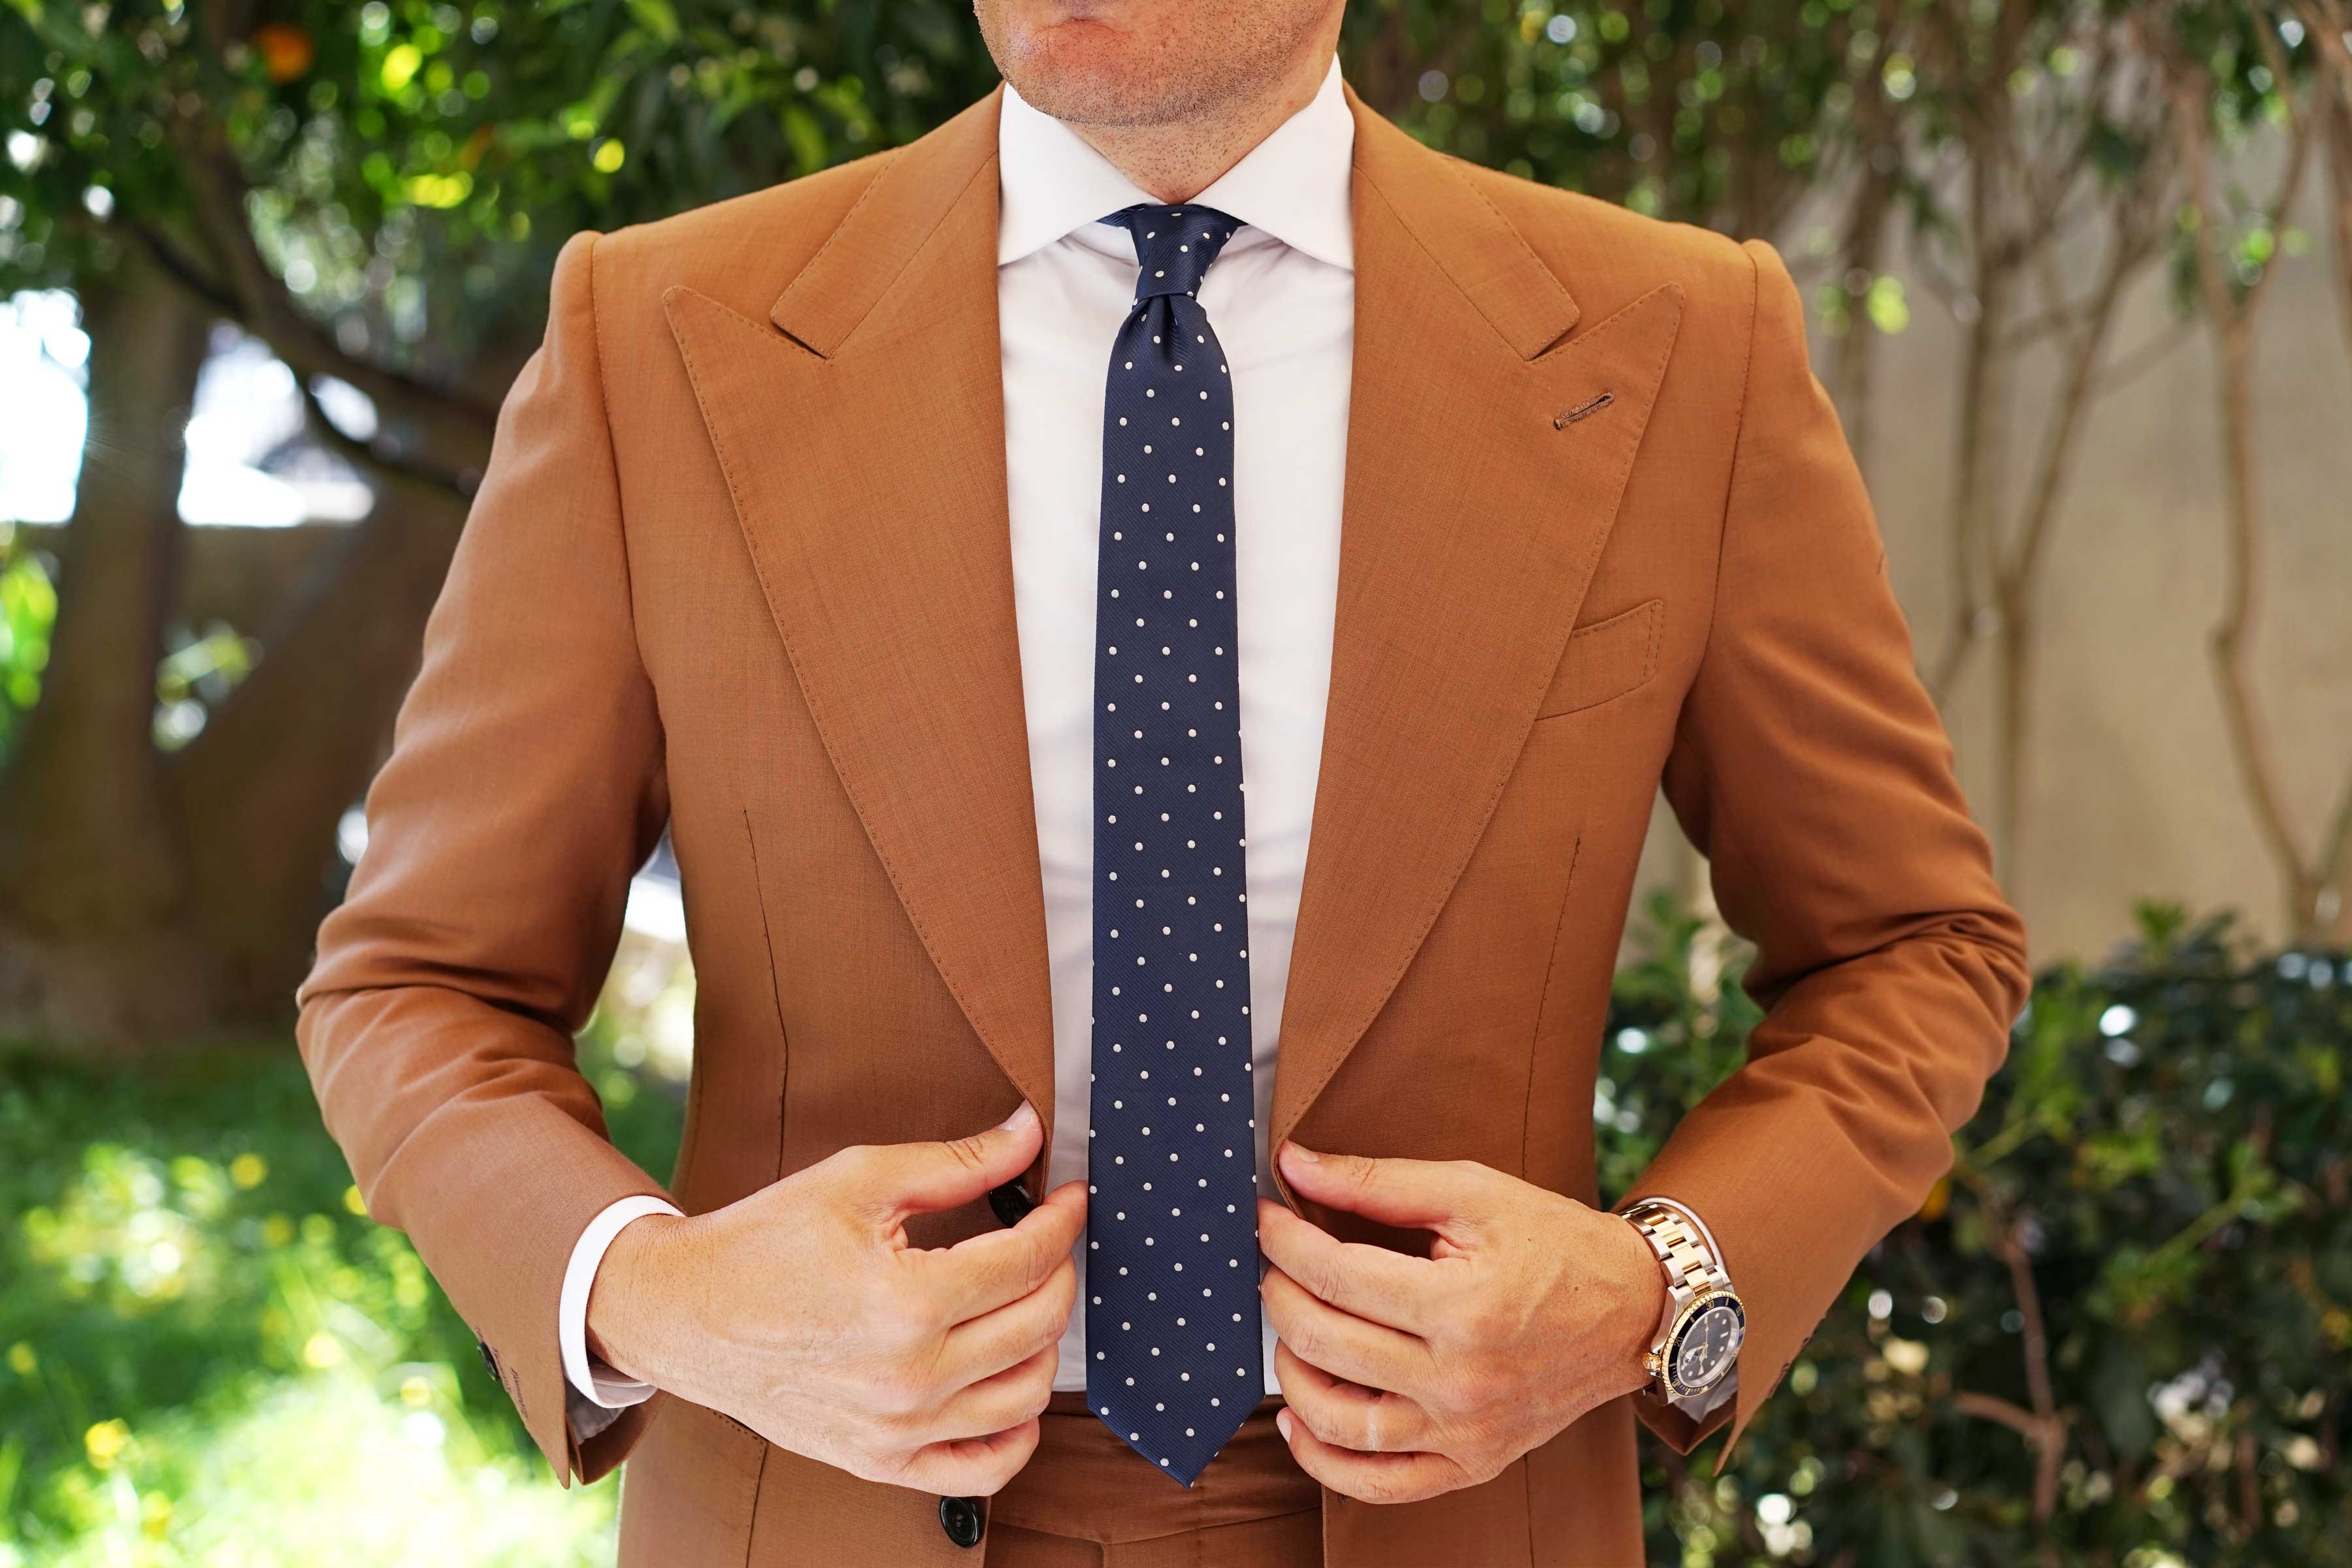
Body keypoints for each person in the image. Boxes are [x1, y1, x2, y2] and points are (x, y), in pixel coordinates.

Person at [295, 1, 2030, 1562]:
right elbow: (419, 986)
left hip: (1463, 1517)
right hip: (818, 1512)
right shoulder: (656, 335)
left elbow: (1912, 946)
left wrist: (1654, 1289)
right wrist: (662, 1298)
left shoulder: (1680, 345)